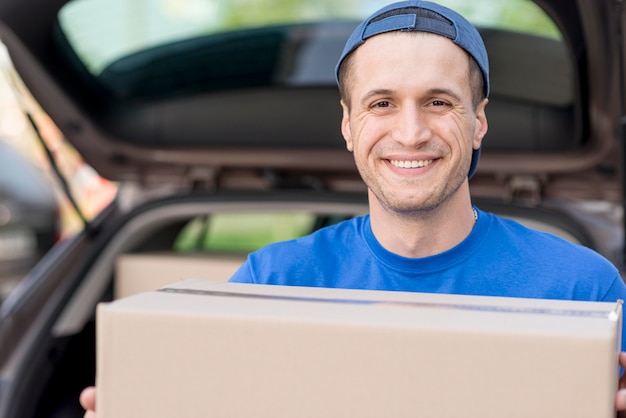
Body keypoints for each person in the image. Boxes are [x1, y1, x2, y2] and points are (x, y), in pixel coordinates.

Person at [81, 1, 626, 415]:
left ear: (479, 121)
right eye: (381, 104)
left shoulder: (581, 289)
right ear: (348, 124)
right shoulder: (271, 284)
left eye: (439, 102)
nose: (411, 133)